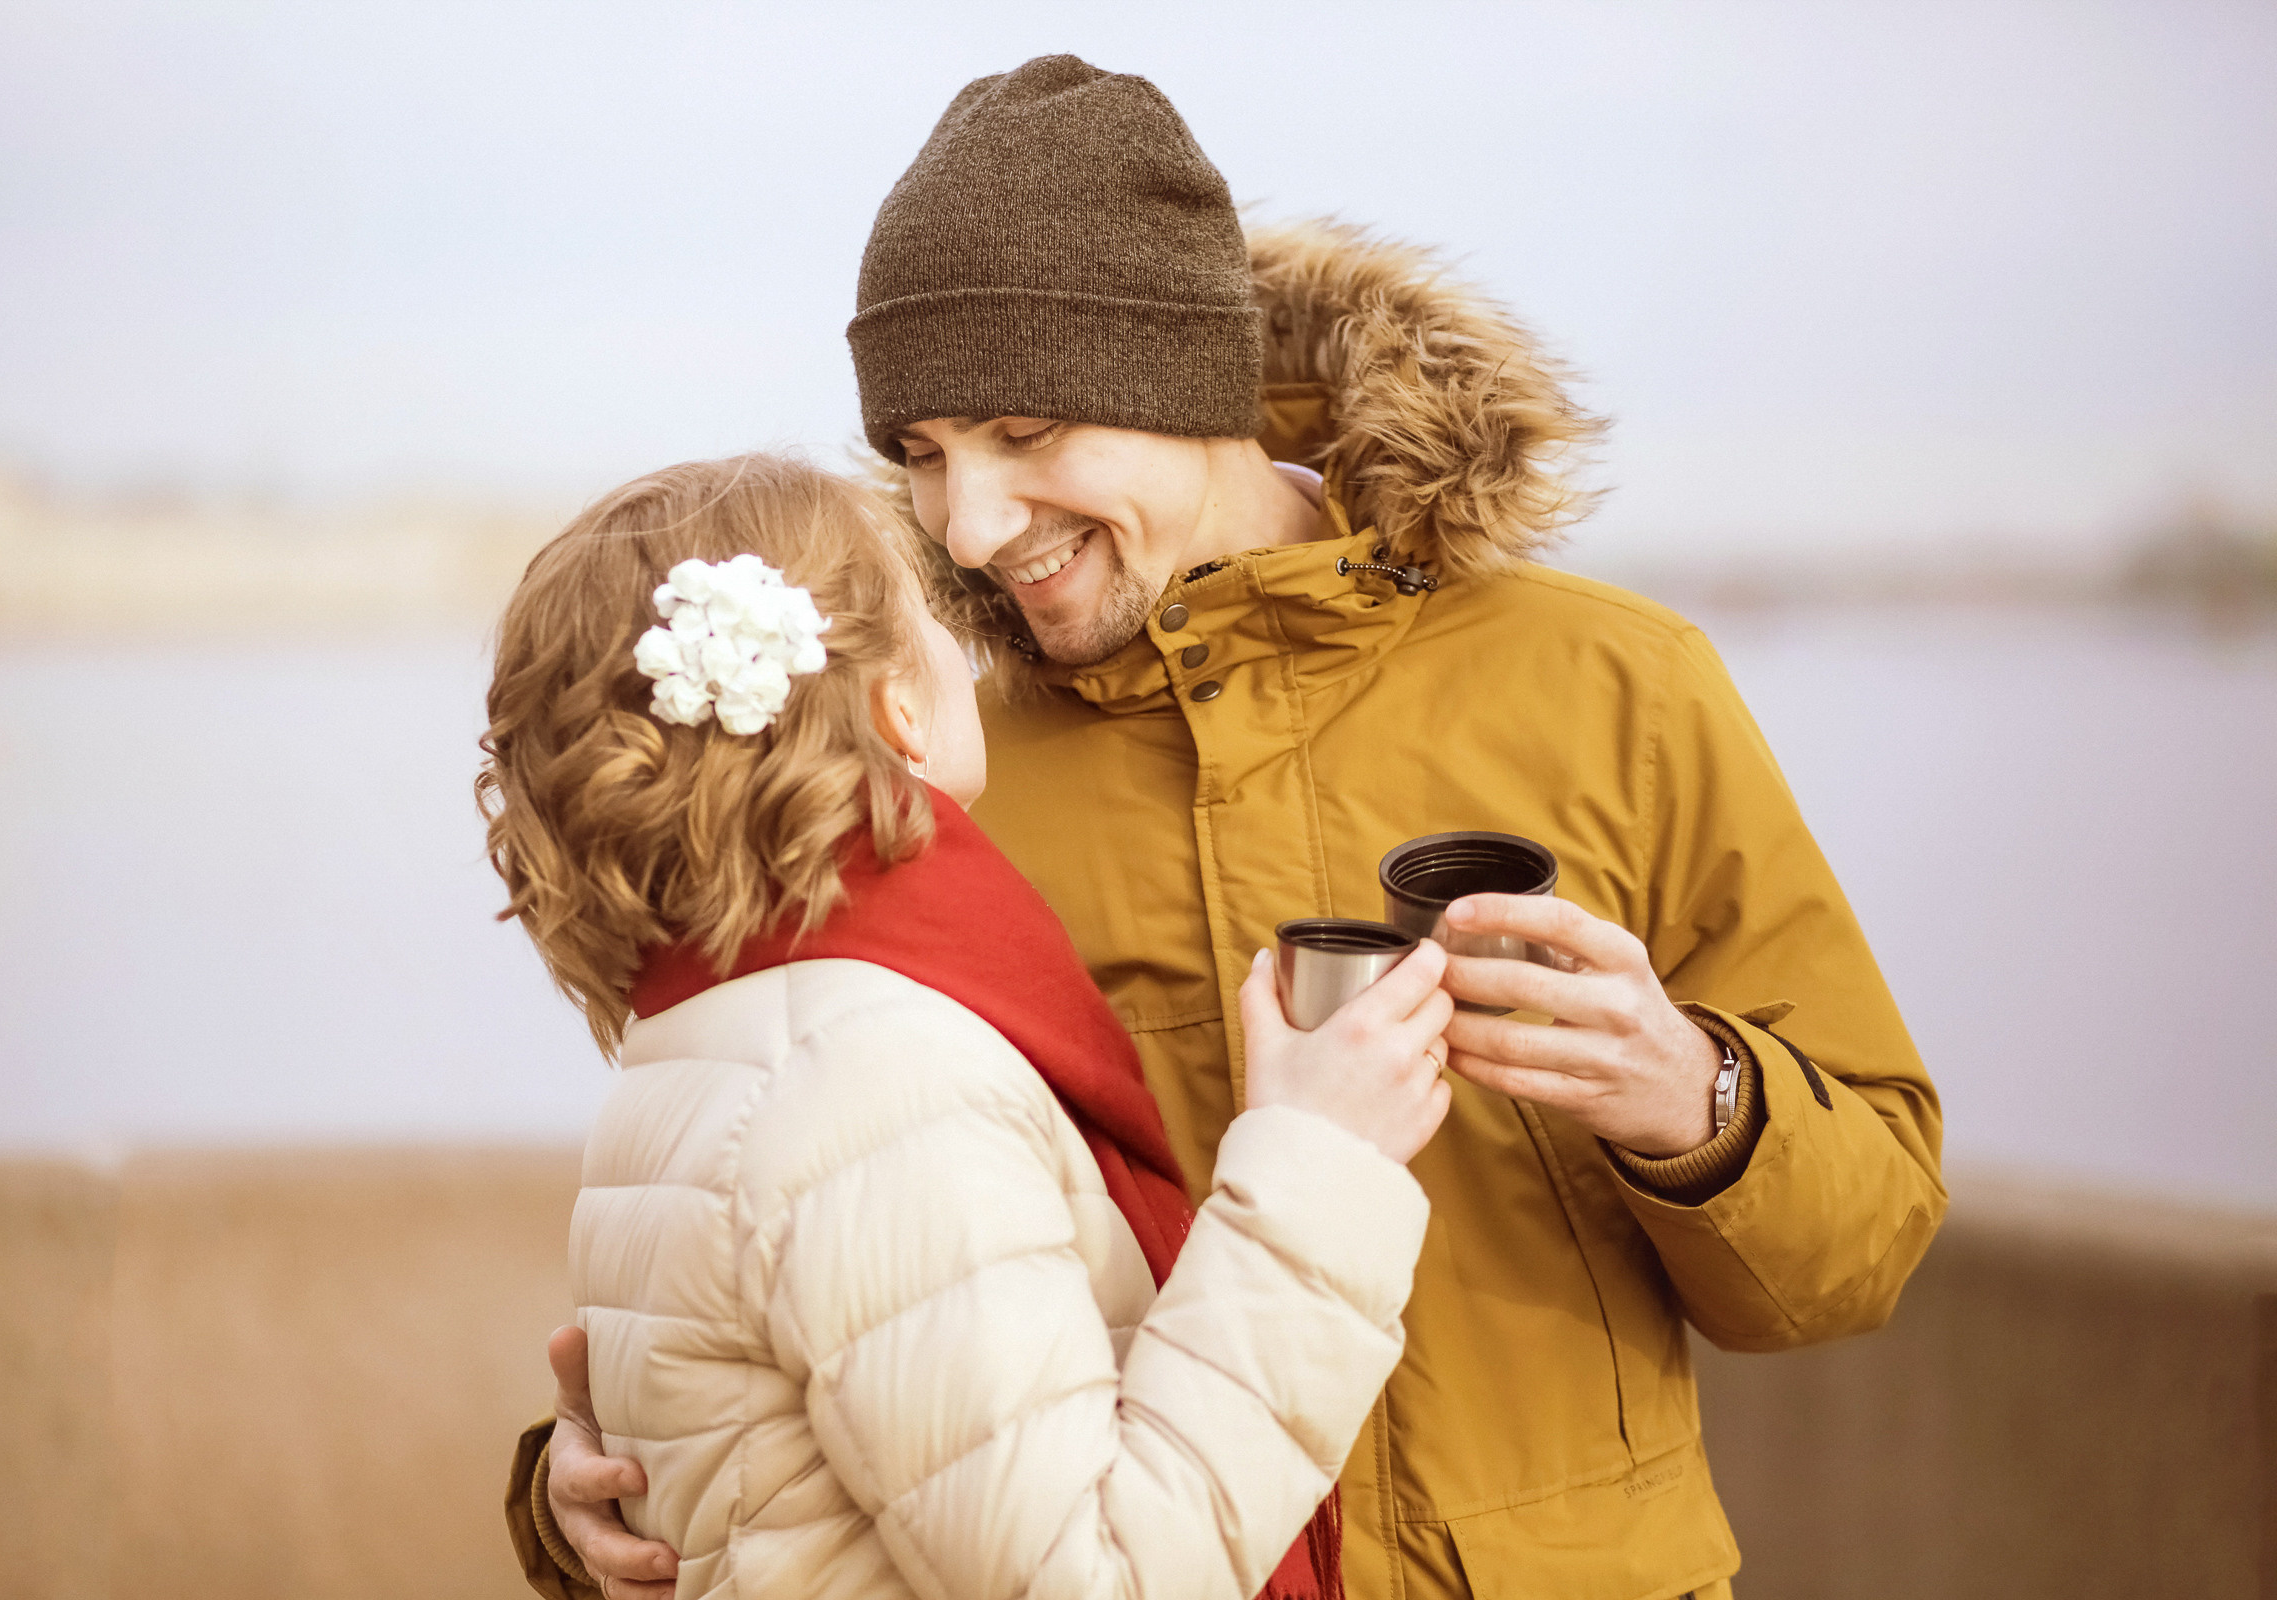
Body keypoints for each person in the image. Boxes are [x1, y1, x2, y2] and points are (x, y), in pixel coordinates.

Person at [519, 57, 1948, 1600]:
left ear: (1189, 386)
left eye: (1024, 427)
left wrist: (1698, 1097)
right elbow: (782, 1230)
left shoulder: (1617, 685)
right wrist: (591, 1494)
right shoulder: (924, 788)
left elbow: (1859, 1249)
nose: (971, 526)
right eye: (923, 453)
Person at [482, 453, 1464, 1600]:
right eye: (932, 614)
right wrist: (1318, 1162)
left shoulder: (700, 1047)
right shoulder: (871, 1079)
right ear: (897, 708)